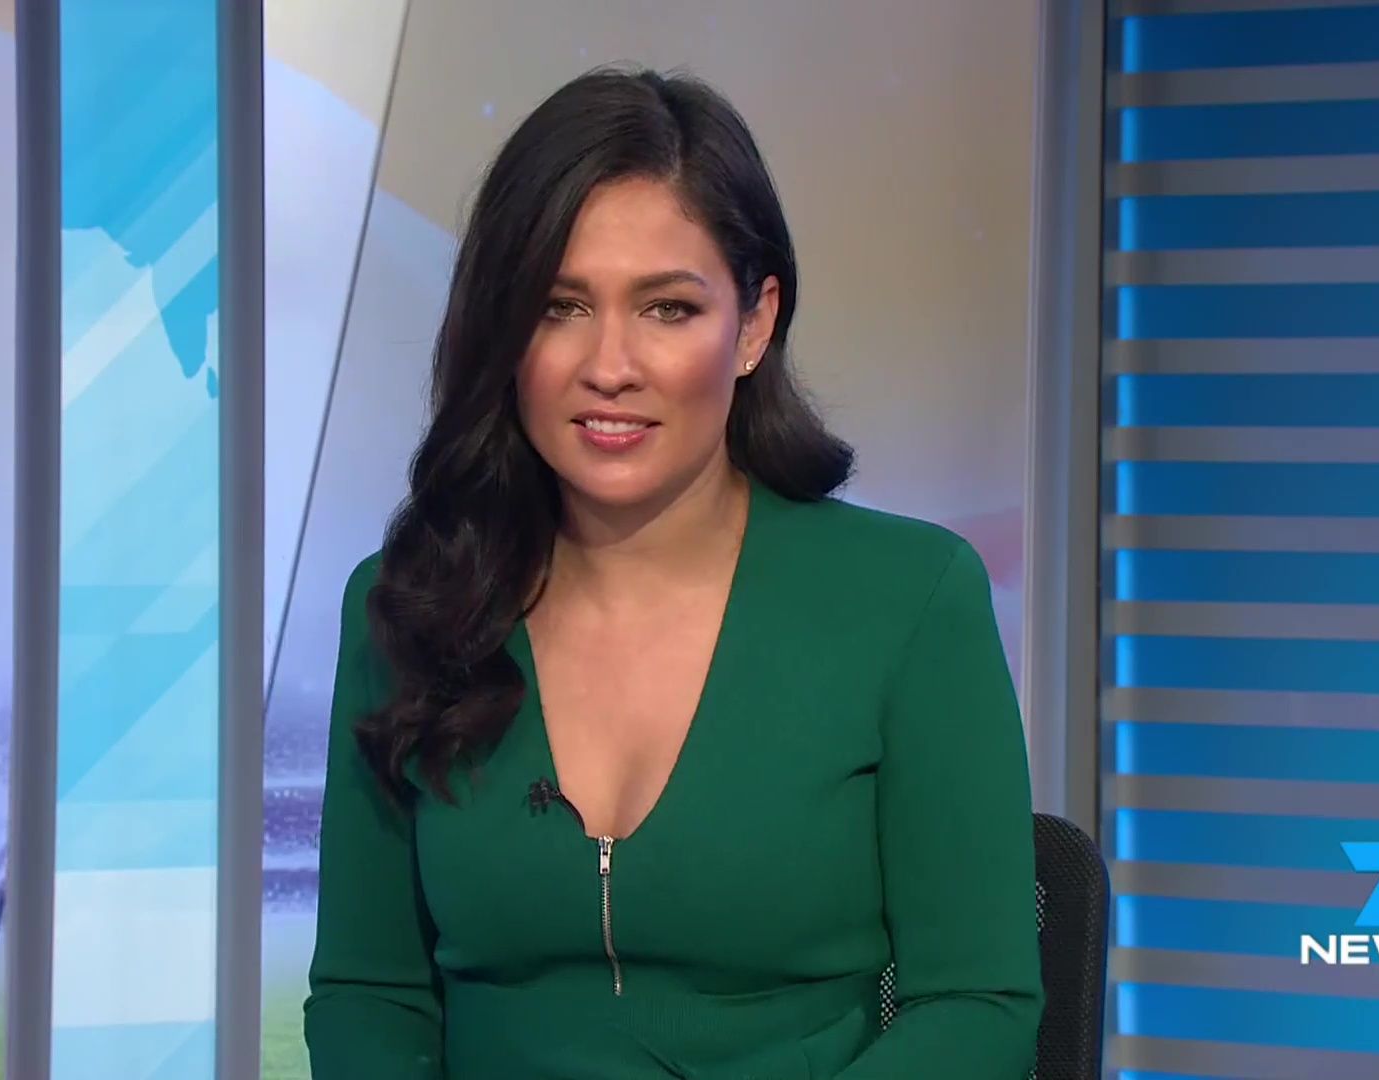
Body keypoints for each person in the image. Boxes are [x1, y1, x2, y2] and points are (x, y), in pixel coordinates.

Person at [303, 66, 1042, 1079]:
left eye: (666, 309)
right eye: (560, 306)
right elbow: (369, 994)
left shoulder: (910, 601)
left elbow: (977, 1005)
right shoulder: (408, 606)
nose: (610, 366)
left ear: (754, 324)